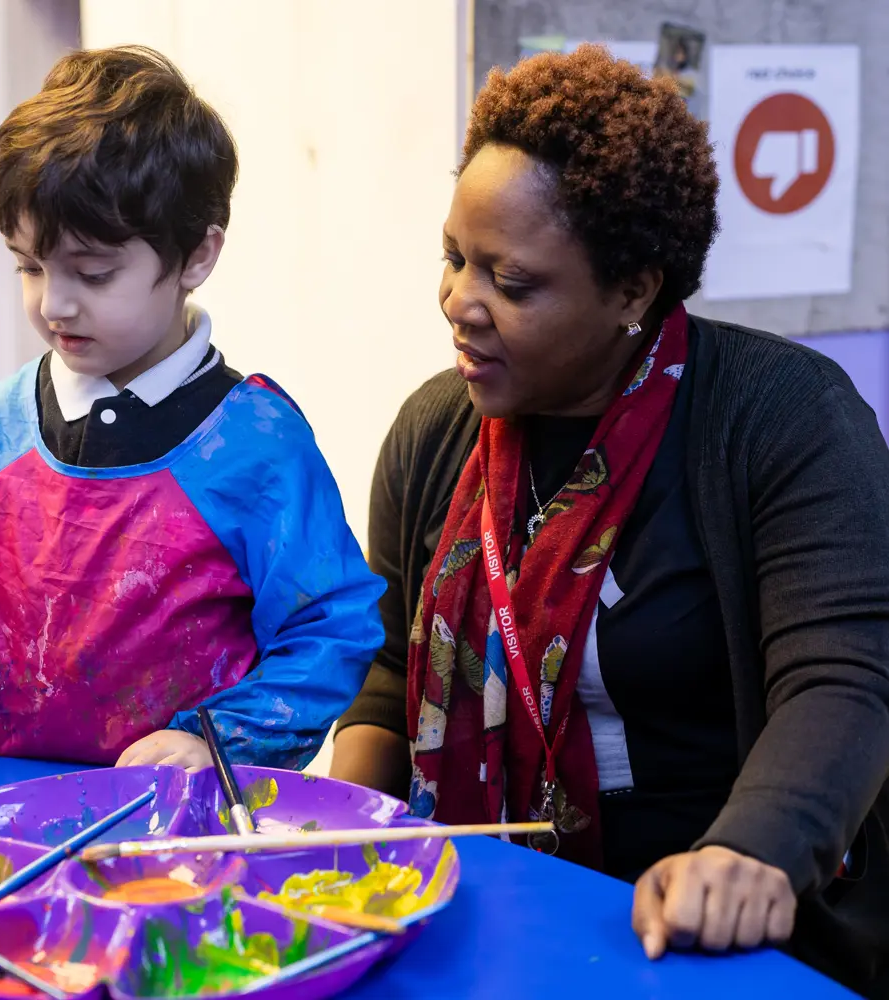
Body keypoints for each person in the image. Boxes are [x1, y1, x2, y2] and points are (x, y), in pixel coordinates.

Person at [330, 45, 889, 995]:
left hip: (705, 939)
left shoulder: (781, 416)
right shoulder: (435, 431)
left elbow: (843, 674)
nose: (460, 302)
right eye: (454, 259)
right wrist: (333, 827)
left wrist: (751, 853)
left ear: (632, 290)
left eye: (512, 282)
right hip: (481, 908)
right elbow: (391, 668)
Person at [0, 46, 384, 772]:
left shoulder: (257, 449)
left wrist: (215, 741)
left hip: (167, 832)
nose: (52, 303)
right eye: (29, 265)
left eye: (92, 272)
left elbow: (327, 625)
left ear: (196, 257)